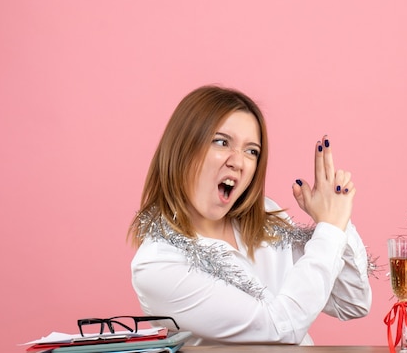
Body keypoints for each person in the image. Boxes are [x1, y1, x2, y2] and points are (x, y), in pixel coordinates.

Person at [128, 85, 372, 345]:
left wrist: (335, 219)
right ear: (182, 148)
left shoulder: (267, 218)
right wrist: (331, 228)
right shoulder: (157, 266)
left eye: (251, 151)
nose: (238, 161)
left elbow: (351, 302)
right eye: (221, 142)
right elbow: (280, 328)